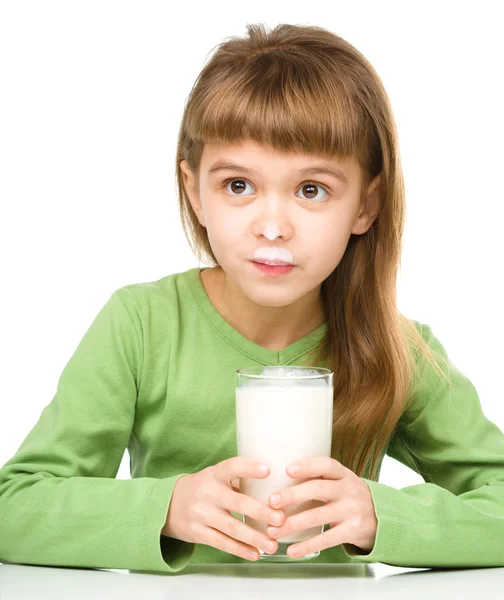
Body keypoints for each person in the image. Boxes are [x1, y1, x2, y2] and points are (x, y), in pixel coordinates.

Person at [1, 22, 503, 575]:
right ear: (195, 190)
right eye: (238, 185)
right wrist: (164, 508)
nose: (271, 227)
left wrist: (382, 516)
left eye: (311, 190)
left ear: (366, 204)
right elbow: (14, 507)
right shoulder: (141, 325)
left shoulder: (397, 347)